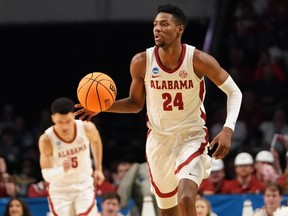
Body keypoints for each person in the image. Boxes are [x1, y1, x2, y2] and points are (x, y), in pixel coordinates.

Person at [75, 3, 242, 216]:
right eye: (155, 24)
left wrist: (228, 129)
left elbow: (235, 92)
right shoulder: (141, 62)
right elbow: (136, 104)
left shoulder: (198, 60)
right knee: (167, 212)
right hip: (159, 141)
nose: (157, 29)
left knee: (187, 197)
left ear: (179, 29)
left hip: (191, 137)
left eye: (164, 24)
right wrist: (104, 107)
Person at [38, 97, 105, 216]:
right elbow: (46, 175)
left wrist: (98, 169)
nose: (64, 127)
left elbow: (96, 141)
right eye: (60, 122)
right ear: (53, 118)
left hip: (83, 184)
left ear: (73, 116)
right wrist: (61, 170)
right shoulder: (46, 139)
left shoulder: (86, 128)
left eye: (68, 121)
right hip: (60, 189)